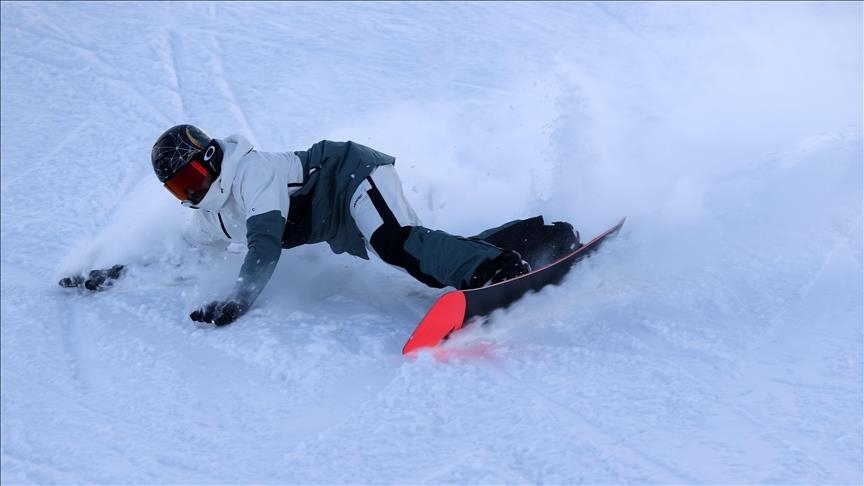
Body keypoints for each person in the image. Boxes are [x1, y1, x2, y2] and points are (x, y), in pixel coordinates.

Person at [60, 125, 580, 326]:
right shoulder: (213, 216)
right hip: (340, 222)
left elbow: (264, 246)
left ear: (213, 157)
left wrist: (238, 300)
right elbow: (182, 254)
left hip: (350, 175)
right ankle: (543, 236)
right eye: (180, 187)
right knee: (420, 262)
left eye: (194, 174)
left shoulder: (251, 171)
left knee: (396, 243)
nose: (192, 189)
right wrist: (111, 271)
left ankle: (494, 267)